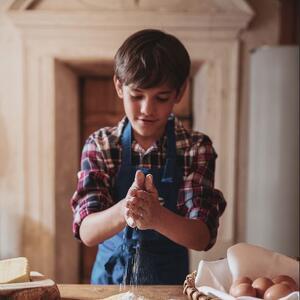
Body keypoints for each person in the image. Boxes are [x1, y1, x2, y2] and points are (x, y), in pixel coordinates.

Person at [70, 29, 226, 285]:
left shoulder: (195, 147)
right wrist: (128, 207)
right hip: (108, 286)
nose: (147, 109)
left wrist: (157, 216)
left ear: (179, 92)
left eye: (161, 98)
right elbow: (87, 232)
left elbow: (201, 237)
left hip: (170, 287)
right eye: (137, 95)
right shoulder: (101, 144)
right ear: (119, 86)